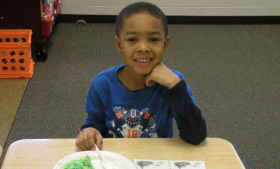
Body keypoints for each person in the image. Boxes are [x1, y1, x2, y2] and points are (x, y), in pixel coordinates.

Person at [76, 2, 207, 150]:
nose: (143, 48)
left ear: (165, 44)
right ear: (119, 45)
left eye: (153, 40)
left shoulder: (173, 83)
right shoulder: (102, 84)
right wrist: (90, 132)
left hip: (156, 160)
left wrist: (174, 85)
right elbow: (93, 126)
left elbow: (196, 136)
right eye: (132, 40)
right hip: (115, 160)